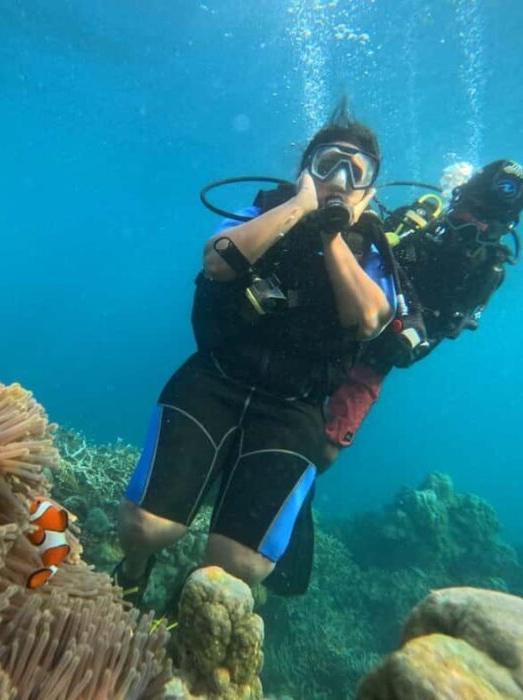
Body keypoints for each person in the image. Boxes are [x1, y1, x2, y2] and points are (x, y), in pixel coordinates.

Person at [113, 99, 399, 607]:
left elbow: (370, 318)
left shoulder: (372, 248)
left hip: (294, 409)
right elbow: (217, 261)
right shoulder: (266, 208)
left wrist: (334, 234)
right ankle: (135, 569)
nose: (338, 177)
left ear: (368, 189)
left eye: (355, 171)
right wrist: (298, 208)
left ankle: (187, 606)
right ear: (304, 169)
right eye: (327, 162)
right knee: (143, 527)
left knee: (240, 567)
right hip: (216, 378)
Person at [320, 158, 523, 462]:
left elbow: (436, 337)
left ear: (504, 227)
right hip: (334, 325)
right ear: (457, 197)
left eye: (489, 223)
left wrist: (407, 341)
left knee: (327, 449)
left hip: (375, 359)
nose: (474, 226)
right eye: (471, 210)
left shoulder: (488, 271)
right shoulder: (416, 221)